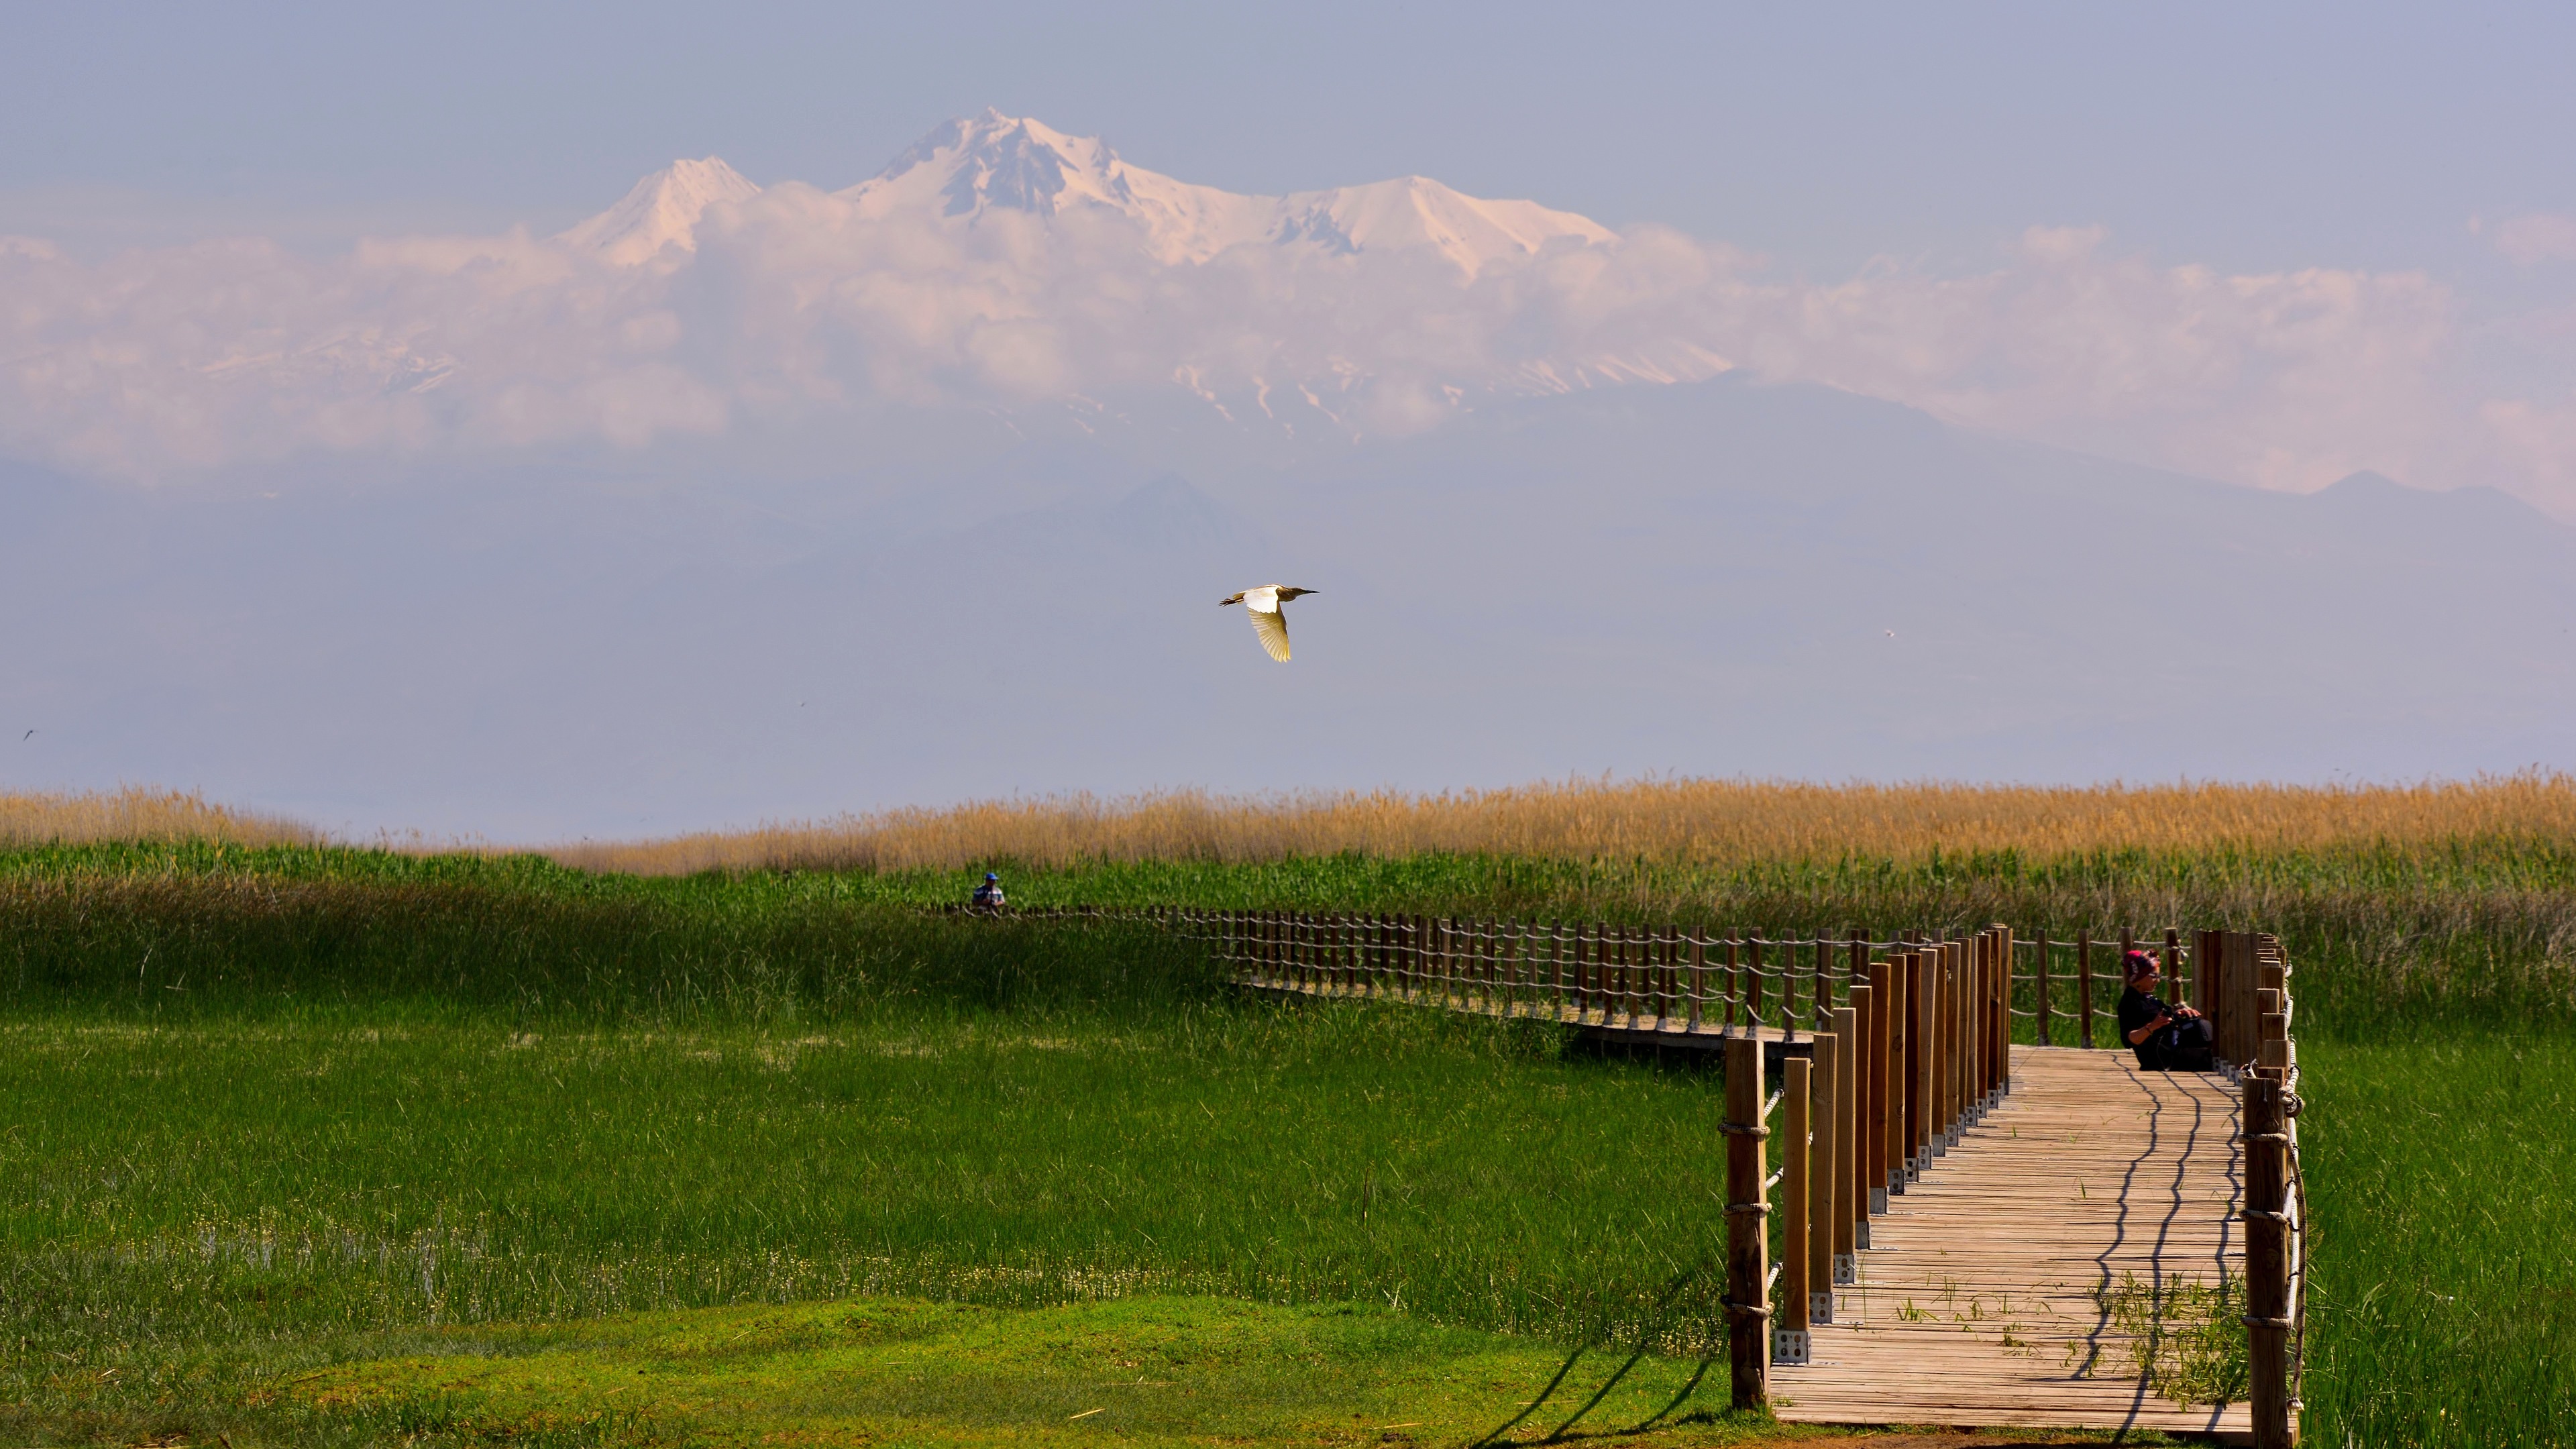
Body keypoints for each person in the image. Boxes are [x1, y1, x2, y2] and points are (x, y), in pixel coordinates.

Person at [2116, 949, 2214, 1071]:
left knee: (2203, 1028)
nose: (2157, 980)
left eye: (2159, 976)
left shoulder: (2148, 998)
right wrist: (2151, 1027)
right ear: (2140, 975)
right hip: (2163, 1057)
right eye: (2154, 976)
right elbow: (2130, 1039)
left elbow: (2161, 1018)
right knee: (2213, 1059)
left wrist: (2176, 1015)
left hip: (2173, 1045)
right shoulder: (2129, 1003)